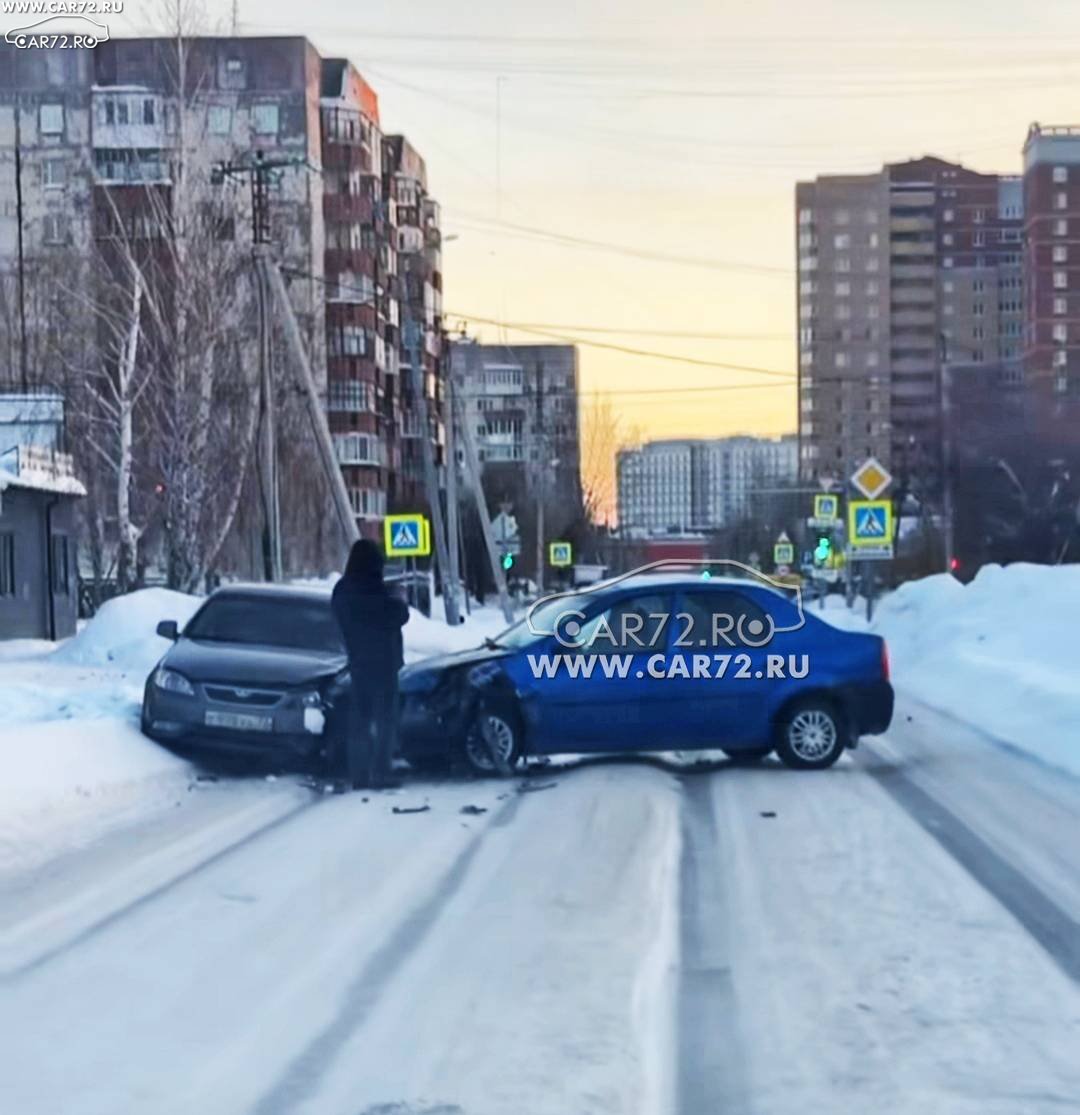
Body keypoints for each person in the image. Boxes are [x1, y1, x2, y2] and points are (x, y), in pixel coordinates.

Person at [331, 539, 410, 790]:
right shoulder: (375, 590)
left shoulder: (343, 590)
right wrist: (398, 598)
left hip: (358, 661)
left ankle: (359, 773)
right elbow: (398, 615)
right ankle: (381, 772)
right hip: (384, 664)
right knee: (386, 719)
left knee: (360, 720)